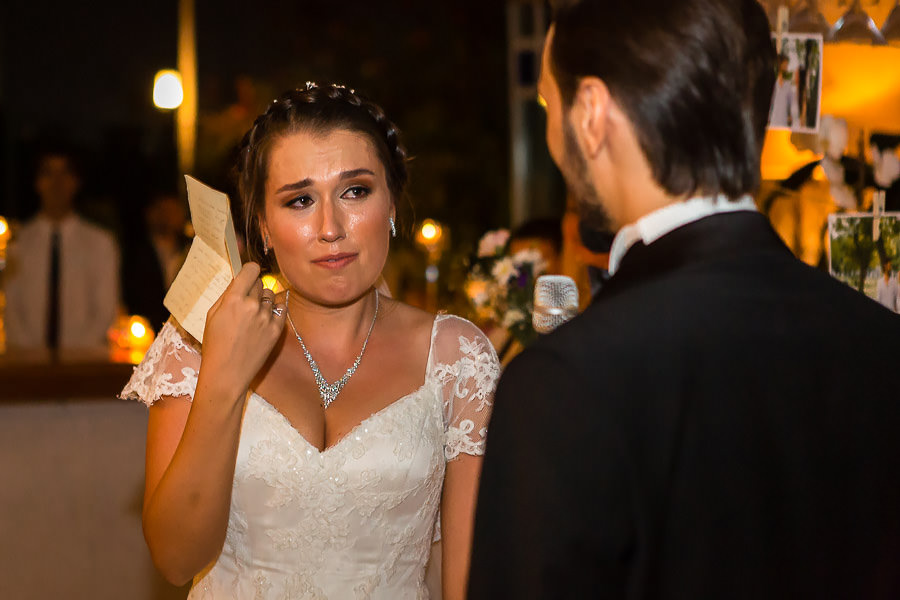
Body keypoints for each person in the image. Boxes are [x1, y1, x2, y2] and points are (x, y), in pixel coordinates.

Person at [468, 1, 900, 598]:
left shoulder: (566, 381)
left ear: (591, 114)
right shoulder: (882, 342)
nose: (550, 134)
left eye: (549, 103)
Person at [121, 83, 499, 599]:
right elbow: (175, 557)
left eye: (355, 191)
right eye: (300, 200)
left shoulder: (458, 358)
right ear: (265, 228)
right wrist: (224, 378)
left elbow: (469, 580)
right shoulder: (198, 340)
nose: (330, 227)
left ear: (392, 202)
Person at [4, 146, 119, 354]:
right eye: (48, 173)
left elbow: (105, 311)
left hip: (85, 363)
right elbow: (10, 307)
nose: (56, 183)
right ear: (37, 182)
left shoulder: (100, 243)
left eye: (64, 173)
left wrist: (70, 357)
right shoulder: (17, 243)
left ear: (76, 182)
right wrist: (37, 356)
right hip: (26, 363)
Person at [120, 191, 190, 331]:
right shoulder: (136, 254)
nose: (168, 216)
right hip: (147, 331)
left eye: (173, 210)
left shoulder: (190, 250)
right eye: (162, 210)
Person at [770, 53, 799, 129]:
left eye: (787, 64)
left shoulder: (788, 85)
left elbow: (792, 103)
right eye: (785, 64)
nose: (786, 66)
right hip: (772, 123)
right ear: (779, 64)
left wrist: (791, 116)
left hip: (783, 123)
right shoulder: (770, 83)